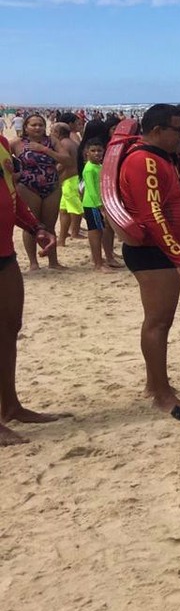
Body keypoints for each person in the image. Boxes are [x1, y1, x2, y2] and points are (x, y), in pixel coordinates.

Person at [117, 104, 180, 413]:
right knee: (158, 323)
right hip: (154, 253)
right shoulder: (144, 161)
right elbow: (152, 215)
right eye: (176, 129)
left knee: (159, 322)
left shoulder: (159, 158)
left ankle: (155, 383)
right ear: (155, 131)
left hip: (160, 250)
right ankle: (161, 394)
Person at [1, 133, 63, 445]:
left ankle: (10, 406)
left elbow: (11, 194)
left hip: (3, 253)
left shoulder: (1, 143)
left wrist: (35, 226)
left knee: (10, 328)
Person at [13, 114, 70, 270]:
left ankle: (53, 262)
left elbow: (67, 159)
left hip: (51, 186)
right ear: (25, 127)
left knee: (50, 225)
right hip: (27, 187)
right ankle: (33, 263)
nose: (38, 128)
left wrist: (44, 150)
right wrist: (13, 174)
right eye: (34, 125)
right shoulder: (17, 143)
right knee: (32, 225)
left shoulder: (51, 141)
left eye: (41, 125)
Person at [80, 139, 117, 272]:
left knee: (102, 231)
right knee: (96, 232)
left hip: (100, 203)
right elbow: (91, 189)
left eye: (99, 151)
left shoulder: (99, 166)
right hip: (92, 204)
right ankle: (98, 263)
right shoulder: (89, 168)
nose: (96, 153)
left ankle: (106, 258)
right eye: (93, 151)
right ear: (87, 153)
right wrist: (100, 206)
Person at [52, 117, 83, 246]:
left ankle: (74, 232)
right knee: (64, 210)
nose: (51, 134)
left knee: (75, 209)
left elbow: (63, 164)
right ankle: (62, 239)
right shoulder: (71, 142)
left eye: (53, 131)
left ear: (58, 133)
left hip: (70, 180)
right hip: (70, 180)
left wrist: (53, 174)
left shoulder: (64, 144)